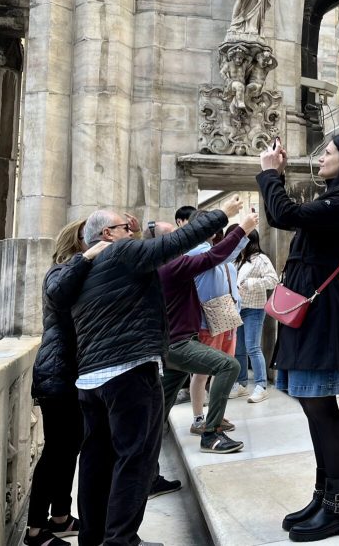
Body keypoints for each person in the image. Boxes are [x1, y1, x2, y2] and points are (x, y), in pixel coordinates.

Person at [70, 200, 242, 546]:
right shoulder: (122, 255)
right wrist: (225, 214)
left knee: (97, 460)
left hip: (90, 378)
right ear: (107, 234)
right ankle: (121, 540)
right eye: (124, 228)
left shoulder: (83, 268)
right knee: (135, 458)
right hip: (128, 370)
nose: (131, 232)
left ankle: (93, 537)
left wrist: (135, 228)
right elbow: (178, 244)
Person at [258, 133, 339, 542]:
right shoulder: (337, 199)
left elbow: (281, 214)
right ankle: (322, 497)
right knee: (313, 408)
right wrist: (279, 175)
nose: (321, 157)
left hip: (320, 311)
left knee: (322, 408)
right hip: (307, 306)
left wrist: (270, 174)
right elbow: (295, 213)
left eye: (327, 152)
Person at [26, 220, 109, 546]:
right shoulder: (60, 272)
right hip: (56, 375)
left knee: (70, 448)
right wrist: (88, 258)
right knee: (56, 452)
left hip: (68, 374)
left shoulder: (74, 273)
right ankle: (35, 531)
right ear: (76, 244)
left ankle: (60, 516)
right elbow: (60, 298)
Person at [150, 216, 254, 456]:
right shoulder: (174, 265)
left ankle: (148, 459)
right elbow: (215, 256)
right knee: (229, 366)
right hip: (178, 343)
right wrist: (243, 229)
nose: (181, 236)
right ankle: (211, 433)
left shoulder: (163, 264)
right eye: (175, 234)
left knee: (162, 404)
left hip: (173, 342)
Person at [187, 216, 249, 435]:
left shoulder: (216, 254)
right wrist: (243, 232)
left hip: (226, 317)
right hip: (208, 319)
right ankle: (198, 419)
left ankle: (216, 415)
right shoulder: (197, 252)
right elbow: (223, 255)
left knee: (223, 371)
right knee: (202, 372)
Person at [235, 228, 280, 401]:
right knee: (239, 349)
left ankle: (261, 386)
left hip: (254, 308)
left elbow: (273, 280)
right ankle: (241, 384)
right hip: (237, 309)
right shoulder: (238, 259)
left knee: (252, 347)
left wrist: (250, 283)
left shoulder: (261, 259)